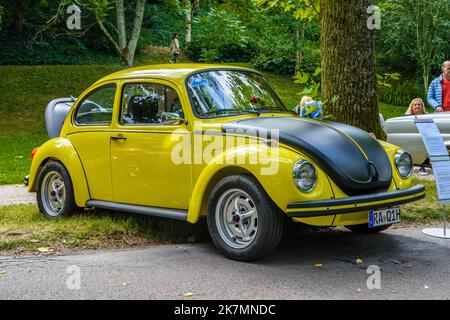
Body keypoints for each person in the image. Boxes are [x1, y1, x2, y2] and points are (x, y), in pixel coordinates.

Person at [403, 98, 428, 175]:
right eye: (415, 105)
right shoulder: (406, 117)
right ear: (412, 107)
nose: (417, 106)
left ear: (422, 107)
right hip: (410, 137)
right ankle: (405, 167)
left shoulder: (426, 116)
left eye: (419, 105)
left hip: (423, 137)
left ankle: (422, 167)